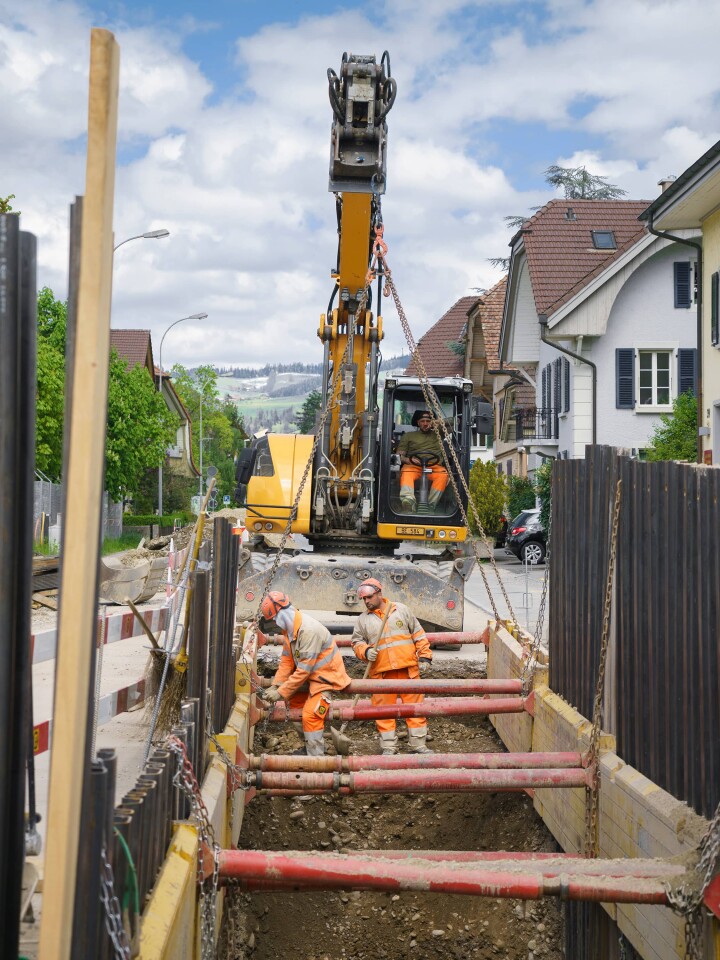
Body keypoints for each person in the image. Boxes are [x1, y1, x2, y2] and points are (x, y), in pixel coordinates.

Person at [261, 591, 351, 756]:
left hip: (326, 679)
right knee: (294, 704)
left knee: (312, 715)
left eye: (274, 618)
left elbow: (303, 670)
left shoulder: (308, 630)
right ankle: (310, 746)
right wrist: (276, 685)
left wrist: (280, 692)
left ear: (282, 612)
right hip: (311, 677)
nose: (274, 622)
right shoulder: (290, 630)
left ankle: (316, 758)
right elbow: (287, 661)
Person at [350, 577, 433, 755]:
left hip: (407, 670)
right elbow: (356, 642)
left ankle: (419, 745)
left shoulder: (400, 610)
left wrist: (425, 657)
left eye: (369, 597)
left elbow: (418, 634)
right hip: (381, 674)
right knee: (383, 711)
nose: (366, 601)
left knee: (415, 709)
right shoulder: (363, 620)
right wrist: (365, 651)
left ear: (379, 593)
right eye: (363, 599)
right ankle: (388, 747)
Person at [395, 410, 448, 512]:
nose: (425, 423)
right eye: (422, 421)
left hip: (434, 466)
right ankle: (408, 501)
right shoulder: (408, 436)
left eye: (428, 421)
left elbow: (455, 421)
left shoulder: (439, 434)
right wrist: (408, 460)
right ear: (418, 423)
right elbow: (399, 456)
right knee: (406, 472)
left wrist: (435, 422)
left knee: (443, 475)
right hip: (413, 466)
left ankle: (431, 505)